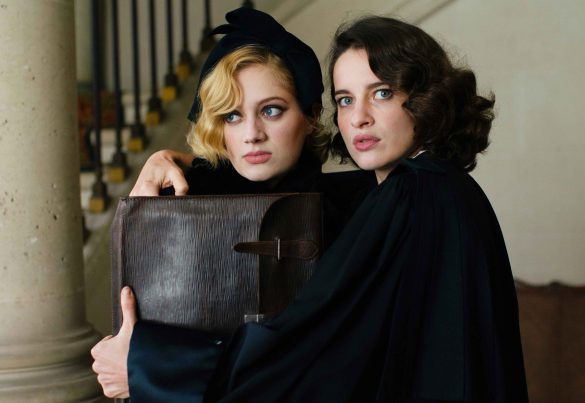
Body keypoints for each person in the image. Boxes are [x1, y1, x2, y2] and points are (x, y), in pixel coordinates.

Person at [90, 8, 374, 401]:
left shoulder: (361, 209)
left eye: (271, 110)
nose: (252, 134)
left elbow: (329, 367)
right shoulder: (178, 202)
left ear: (311, 115)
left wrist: (145, 365)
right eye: (232, 116)